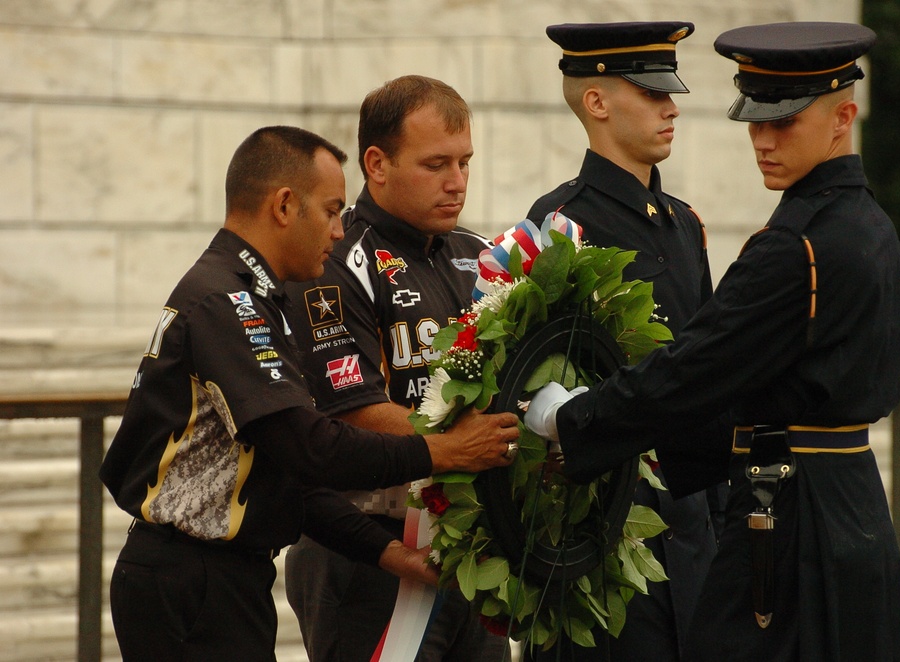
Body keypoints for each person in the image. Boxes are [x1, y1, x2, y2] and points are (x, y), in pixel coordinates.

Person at [526, 22, 900, 661]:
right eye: (755, 122)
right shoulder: (870, 228)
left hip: (791, 509)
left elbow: (695, 368)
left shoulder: (798, 247)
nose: (761, 139)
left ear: (844, 117)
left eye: (782, 122)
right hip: (846, 503)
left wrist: (576, 422)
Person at [99, 125, 520, 662]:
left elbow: (288, 475)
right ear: (283, 206)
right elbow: (312, 446)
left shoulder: (249, 294)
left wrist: (388, 552)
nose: (339, 231)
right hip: (191, 577)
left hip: (222, 576)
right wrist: (444, 450)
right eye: (330, 210)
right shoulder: (227, 302)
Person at [282, 77, 509, 662]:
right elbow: (353, 411)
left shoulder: (480, 256)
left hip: (472, 545)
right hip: (369, 549)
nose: (456, 181)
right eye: (435, 164)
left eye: (464, 162)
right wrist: (465, 447)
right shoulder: (333, 261)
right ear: (376, 164)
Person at [522, 22, 723, 662]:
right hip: (612, 520)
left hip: (696, 512)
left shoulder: (684, 223)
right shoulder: (561, 223)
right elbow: (537, 376)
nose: (672, 107)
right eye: (652, 92)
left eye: (671, 92)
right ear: (598, 103)